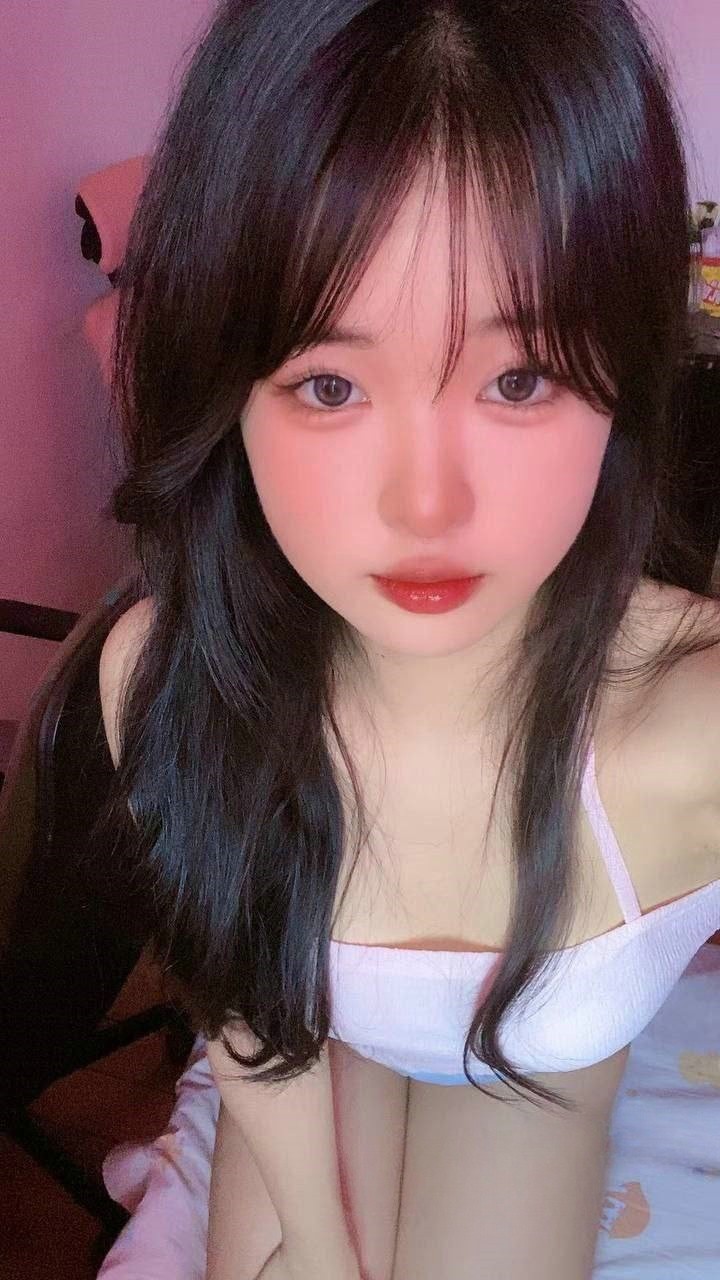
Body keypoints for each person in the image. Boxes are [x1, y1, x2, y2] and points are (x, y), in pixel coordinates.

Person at [95, 1, 720, 1277]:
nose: (425, 507)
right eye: (329, 385)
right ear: (229, 391)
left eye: (518, 379)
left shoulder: (692, 722)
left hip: (538, 1081)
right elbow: (246, 1007)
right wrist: (325, 1250)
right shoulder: (165, 674)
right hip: (313, 1051)